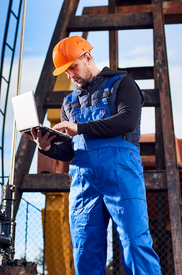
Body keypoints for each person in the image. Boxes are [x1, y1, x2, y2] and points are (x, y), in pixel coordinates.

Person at [23, 36, 162, 275]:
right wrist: (48, 147)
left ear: (88, 57)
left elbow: (127, 121)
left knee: (135, 244)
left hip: (121, 173)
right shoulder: (69, 102)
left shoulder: (123, 84)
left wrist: (81, 128)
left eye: (72, 67)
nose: (70, 75)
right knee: (86, 249)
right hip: (84, 181)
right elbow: (71, 150)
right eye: (65, 72)